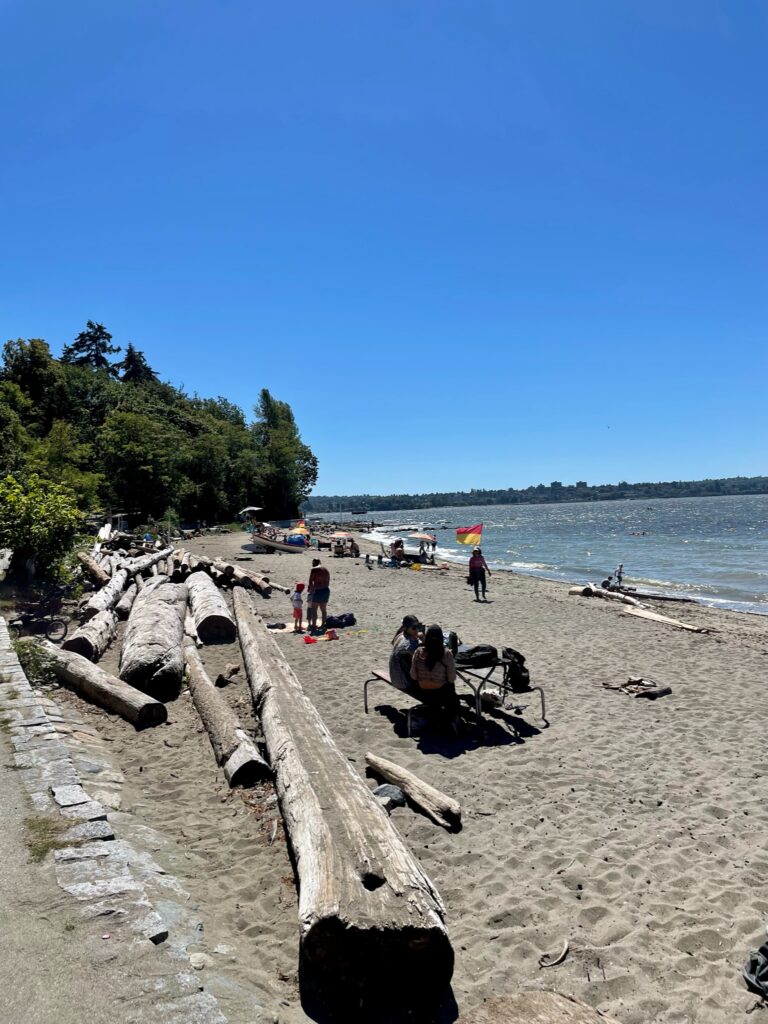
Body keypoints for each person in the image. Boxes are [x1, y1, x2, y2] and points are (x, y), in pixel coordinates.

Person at [409, 624, 460, 718]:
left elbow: (413, 675)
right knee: (452, 691)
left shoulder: (418, 652)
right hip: (440, 691)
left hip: (422, 690)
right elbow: (452, 678)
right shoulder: (446, 654)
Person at [388, 615, 423, 692]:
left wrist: (416, 635)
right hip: (403, 682)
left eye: (418, 626)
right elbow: (421, 659)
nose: (417, 629)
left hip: (395, 677)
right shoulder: (408, 643)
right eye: (414, 627)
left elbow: (393, 642)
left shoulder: (400, 635)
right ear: (405, 628)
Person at [307, 558, 331, 631]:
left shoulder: (314, 569)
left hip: (318, 590)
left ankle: (314, 625)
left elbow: (310, 581)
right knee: (323, 609)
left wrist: (311, 590)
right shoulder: (326, 570)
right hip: (326, 590)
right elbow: (328, 581)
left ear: (314, 563)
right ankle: (323, 625)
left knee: (314, 609)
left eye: (312, 563)